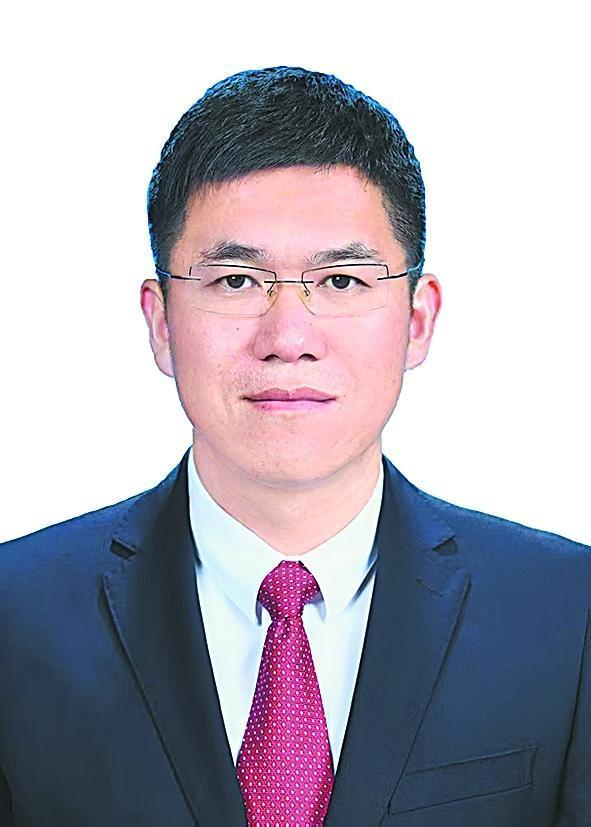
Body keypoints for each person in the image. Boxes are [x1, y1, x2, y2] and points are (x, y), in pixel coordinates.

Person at [0, 66, 588, 827]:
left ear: (417, 320)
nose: (287, 337)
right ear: (161, 321)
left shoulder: (567, 615)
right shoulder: (15, 617)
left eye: (340, 281)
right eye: (236, 281)